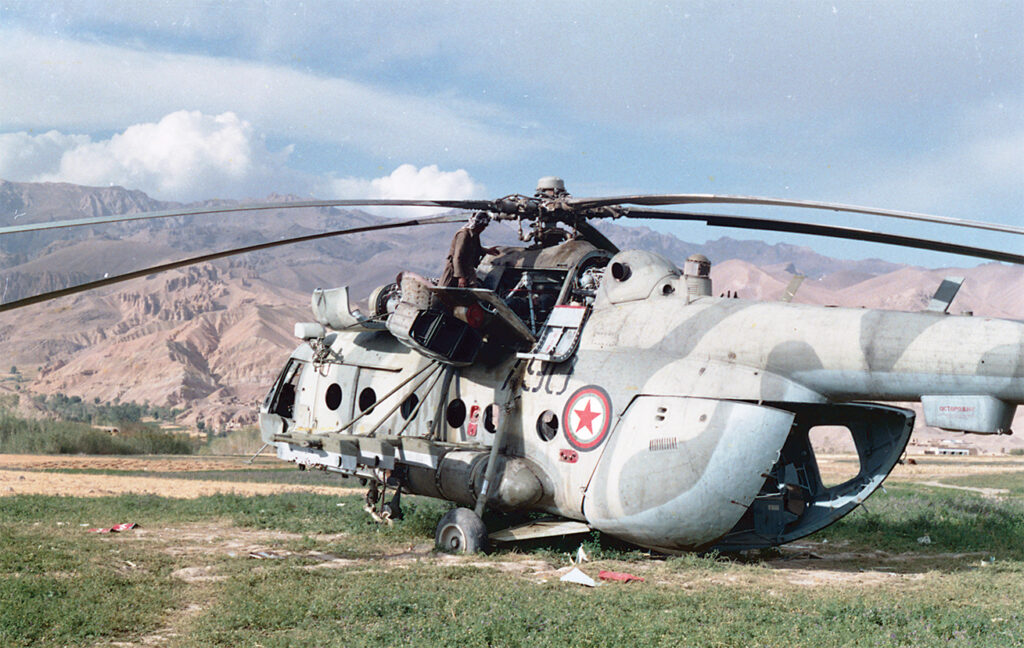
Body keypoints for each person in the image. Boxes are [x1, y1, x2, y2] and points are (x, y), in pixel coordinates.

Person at [440, 212, 499, 288]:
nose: (483, 229)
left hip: (468, 269)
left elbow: (476, 248)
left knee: (473, 291)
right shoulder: (463, 235)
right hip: (455, 270)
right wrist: (461, 277)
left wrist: (488, 251)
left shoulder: (475, 234)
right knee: (444, 291)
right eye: (482, 227)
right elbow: (457, 257)